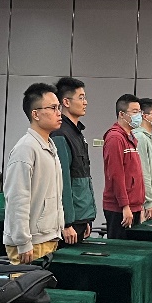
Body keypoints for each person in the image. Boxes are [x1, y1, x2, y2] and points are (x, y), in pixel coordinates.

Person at [3, 83, 65, 264]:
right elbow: (17, 198)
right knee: (25, 283)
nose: (59, 113)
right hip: (30, 243)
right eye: (53, 108)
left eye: (59, 107)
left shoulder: (49, 146)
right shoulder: (25, 148)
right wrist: (23, 242)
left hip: (48, 237)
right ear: (35, 114)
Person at [51, 77, 97, 244]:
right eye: (81, 98)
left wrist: (86, 219)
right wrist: (67, 222)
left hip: (80, 217)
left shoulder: (76, 133)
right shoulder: (60, 134)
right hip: (69, 223)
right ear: (66, 102)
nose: (85, 102)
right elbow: (62, 181)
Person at [102, 94, 145, 239]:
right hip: (119, 208)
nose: (139, 115)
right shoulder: (115, 138)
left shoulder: (130, 137)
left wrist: (139, 206)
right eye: (134, 112)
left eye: (140, 112)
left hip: (133, 206)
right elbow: (116, 175)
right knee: (120, 249)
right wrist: (125, 206)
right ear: (121, 114)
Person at [132, 97, 152, 221]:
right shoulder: (140, 137)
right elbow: (144, 172)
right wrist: (149, 201)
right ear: (145, 116)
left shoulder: (148, 137)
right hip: (143, 202)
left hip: (150, 201)